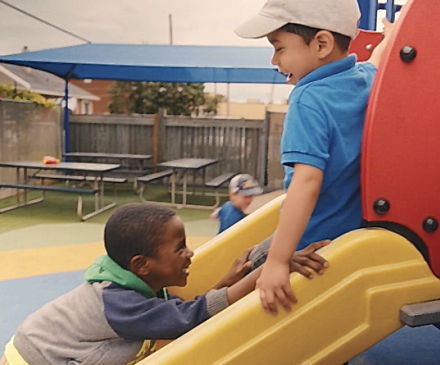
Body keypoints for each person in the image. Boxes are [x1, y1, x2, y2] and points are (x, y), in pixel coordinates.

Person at [1, 203, 330, 365]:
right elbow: (190, 320)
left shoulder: (135, 284)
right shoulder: (118, 304)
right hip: (38, 360)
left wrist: (231, 279)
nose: (190, 254)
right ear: (143, 265)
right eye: (179, 248)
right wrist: (268, 269)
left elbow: (180, 313)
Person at [234, 0, 396, 315]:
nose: (274, 59)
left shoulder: (308, 99)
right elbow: (380, 58)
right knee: (252, 256)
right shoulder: (365, 78)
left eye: (279, 48)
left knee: (254, 295)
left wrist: (279, 261)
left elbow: (307, 182)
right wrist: (392, 37)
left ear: (321, 43)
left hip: (310, 249)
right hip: (348, 238)